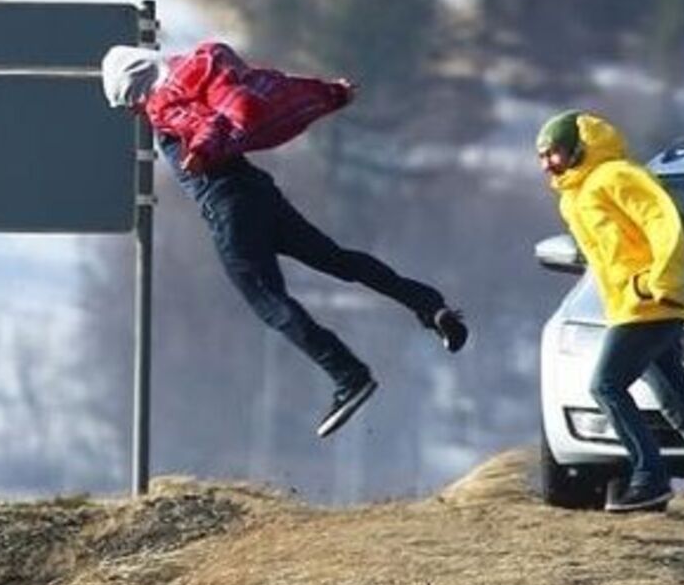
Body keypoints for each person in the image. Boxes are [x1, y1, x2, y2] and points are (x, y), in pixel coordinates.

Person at [103, 41, 467, 438]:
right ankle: (430, 306)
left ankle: (348, 375)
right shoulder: (197, 78)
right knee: (338, 260)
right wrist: (330, 93)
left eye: (127, 104)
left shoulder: (163, 104)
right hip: (259, 192)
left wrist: (202, 151)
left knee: (268, 302)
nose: (133, 113)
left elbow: (202, 127)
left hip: (228, 207)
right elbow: (270, 87)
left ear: (138, 88)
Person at [536, 109, 684, 522]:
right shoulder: (578, 195)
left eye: (555, 153)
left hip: (650, 304)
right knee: (679, 404)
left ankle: (649, 478)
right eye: (542, 157)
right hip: (631, 307)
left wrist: (660, 279)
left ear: (580, 148)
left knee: (606, 386)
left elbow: (663, 222)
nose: (548, 164)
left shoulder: (614, 176)